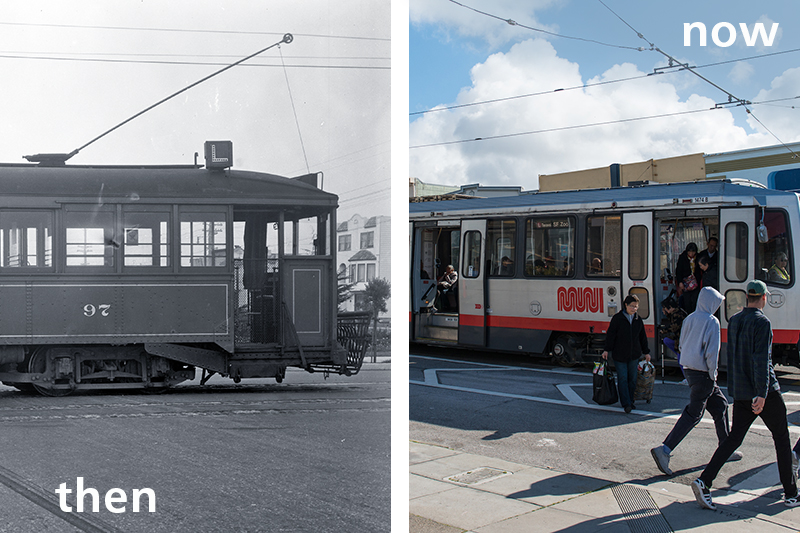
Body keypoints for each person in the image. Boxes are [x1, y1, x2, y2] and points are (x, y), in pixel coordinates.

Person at [691, 280, 799, 510]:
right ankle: (791, 494)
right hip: (764, 392)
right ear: (763, 298)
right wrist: (762, 392)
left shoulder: (735, 320)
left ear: (747, 297)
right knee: (781, 438)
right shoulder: (763, 322)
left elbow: (734, 356)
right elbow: (761, 360)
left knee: (733, 439)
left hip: (740, 391)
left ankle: (704, 480)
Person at [651, 287, 742, 476]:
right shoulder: (712, 321)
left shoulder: (690, 318)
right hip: (703, 372)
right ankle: (665, 449)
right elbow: (712, 352)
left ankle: (725, 448)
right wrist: (713, 373)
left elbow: (682, 343)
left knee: (720, 406)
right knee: (694, 414)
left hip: (690, 370)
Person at [601, 294, 651, 413]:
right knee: (623, 378)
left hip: (634, 354)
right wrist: (606, 349)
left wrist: (646, 352)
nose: (634, 309)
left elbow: (642, 337)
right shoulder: (617, 318)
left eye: (636, 306)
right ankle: (626, 403)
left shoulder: (638, 320)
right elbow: (611, 335)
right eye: (632, 306)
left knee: (632, 379)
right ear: (626, 305)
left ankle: (630, 400)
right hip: (620, 354)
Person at [676, 242, 700, 313]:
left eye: (693, 252)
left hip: (696, 284)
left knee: (695, 301)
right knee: (687, 302)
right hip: (686, 284)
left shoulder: (698, 257)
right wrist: (680, 282)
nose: (691, 254)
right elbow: (678, 271)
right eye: (689, 252)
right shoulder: (682, 258)